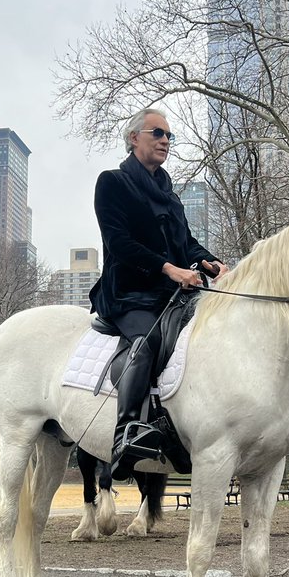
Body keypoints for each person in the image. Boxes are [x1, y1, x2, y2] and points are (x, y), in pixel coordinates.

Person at [88, 107, 228, 480]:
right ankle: (126, 434)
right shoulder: (112, 182)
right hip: (129, 294)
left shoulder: (169, 192)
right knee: (146, 343)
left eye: (169, 136)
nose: (165, 140)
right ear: (134, 138)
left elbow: (186, 242)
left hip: (173, 295)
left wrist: (209, 261)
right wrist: (169, 269)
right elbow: (119, 242)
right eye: (157, 133)